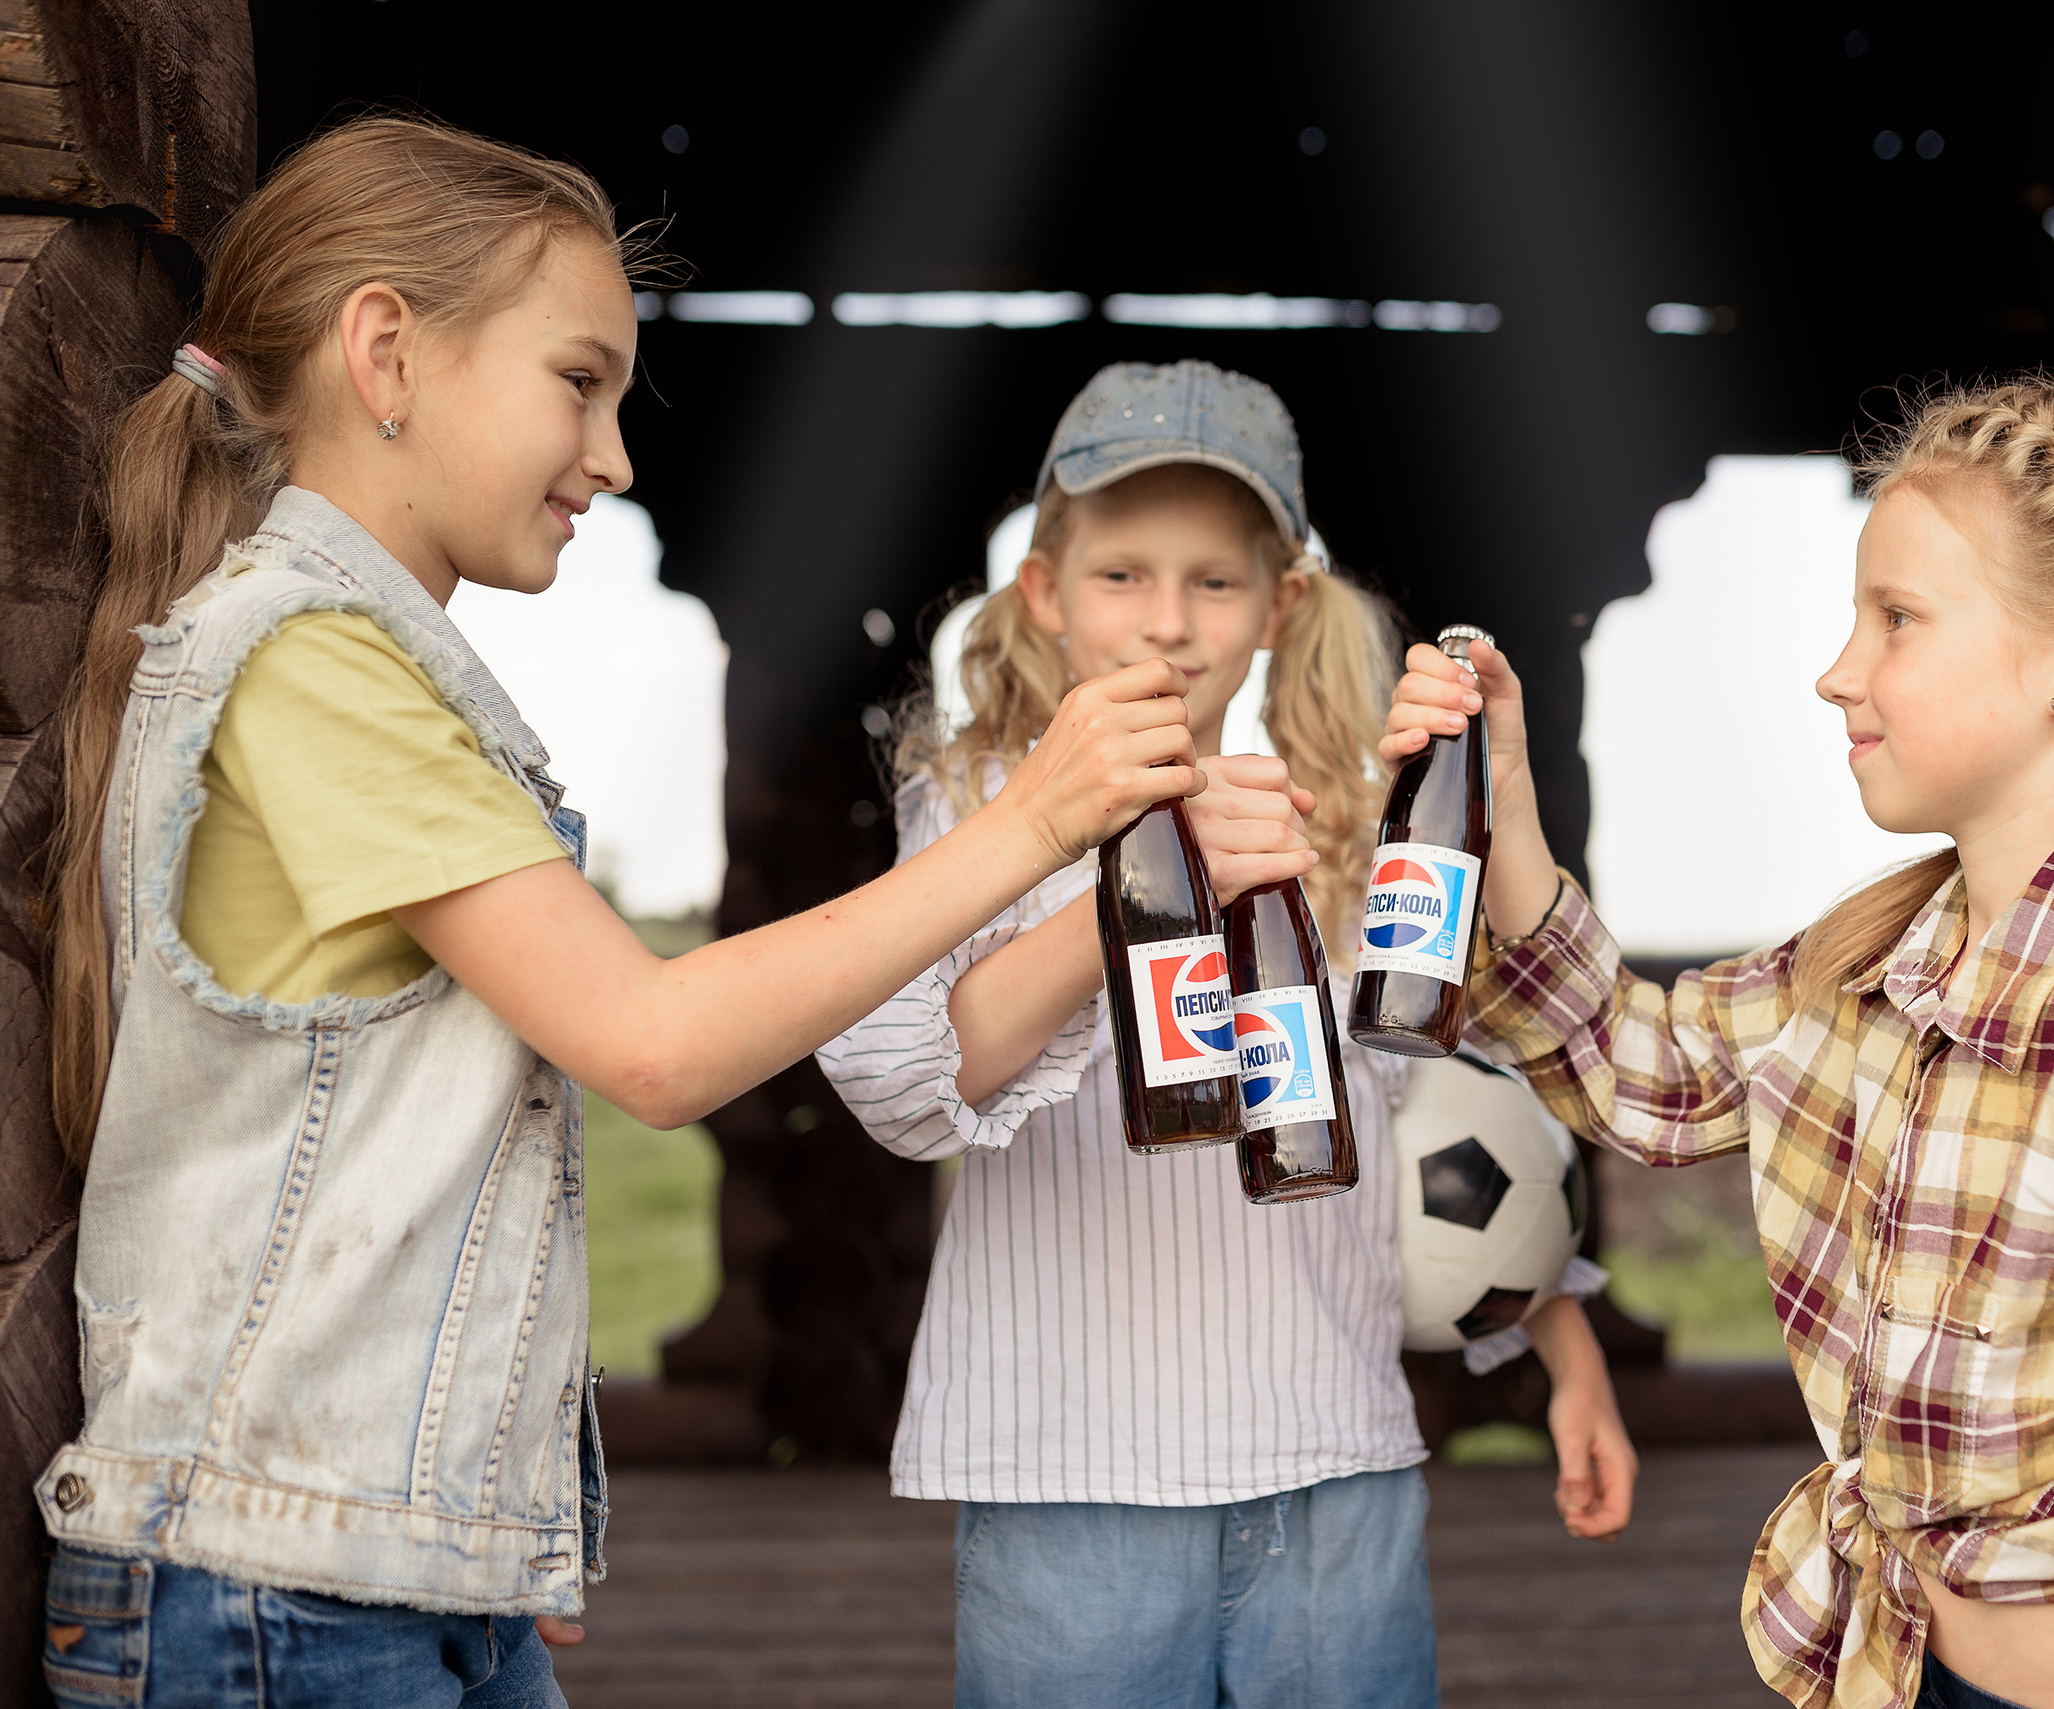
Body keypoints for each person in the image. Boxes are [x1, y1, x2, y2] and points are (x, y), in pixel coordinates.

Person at [37, 118, 1203, 1708]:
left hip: (367, 1572)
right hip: (285, 1600)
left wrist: (497, 1510)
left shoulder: (359, 672)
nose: (614, 455)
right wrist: (1039, 821)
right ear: (386, 349)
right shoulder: (314, 668)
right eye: (577, 382)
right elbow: (650, 1044)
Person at [1388, 380, 2054, 1709]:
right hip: (1894, 1671)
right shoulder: (1887, 949)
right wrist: (1502, 797)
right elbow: (1643, 1068)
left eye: (1897, 619)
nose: (1837, 671)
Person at [820, 359, 1637, 1709]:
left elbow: (1435, 1121)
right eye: (1122, 575)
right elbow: (925, 1072)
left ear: (1281, 603)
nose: (1167, 622)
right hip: (1070, 1474)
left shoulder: (1332, 814)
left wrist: (1561, 1339)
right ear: (1044, 593)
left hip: (1330, 1461)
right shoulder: (975, 805)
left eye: (1213, 580)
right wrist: (1134, 886)